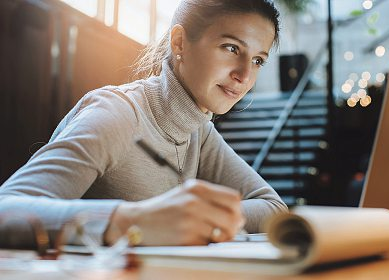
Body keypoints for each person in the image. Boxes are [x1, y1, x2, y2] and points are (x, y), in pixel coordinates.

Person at [0, 0, 287, 248]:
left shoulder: (199, 131)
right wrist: (132, 222)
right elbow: (6, 210)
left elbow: (274, 209)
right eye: (231, 48)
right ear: (180, 43)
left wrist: (199, 216)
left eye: (259, 60)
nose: (245, 74)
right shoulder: (118, 113)